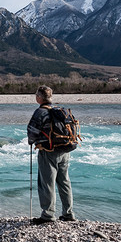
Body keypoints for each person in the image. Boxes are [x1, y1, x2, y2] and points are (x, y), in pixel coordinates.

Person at [27, 85, 76, 224]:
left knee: (47, 183)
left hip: (48, 151)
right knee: (64, 182)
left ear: (39, 98)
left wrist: (32, 142)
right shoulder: (60, 111)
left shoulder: (40, 112)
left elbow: (32, 131)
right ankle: (68, 214)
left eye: (36, 95)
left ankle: (48, 216)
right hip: (65, 150)